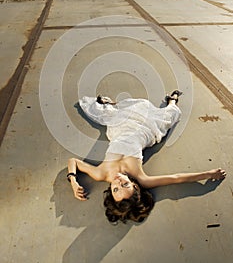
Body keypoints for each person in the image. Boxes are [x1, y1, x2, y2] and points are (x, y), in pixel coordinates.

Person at [67, 91, 226, 224]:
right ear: (135, 187)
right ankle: (172, 100)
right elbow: (176, 178)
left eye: (116, 188)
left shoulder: (101, 173)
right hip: (146, 129)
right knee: (170, 115)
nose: (118, 181)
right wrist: (208, 174)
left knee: (122, 112)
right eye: (125, 186)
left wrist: (74, 181)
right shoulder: (141, 179)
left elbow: (73, 162)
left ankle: (109, 104)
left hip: (119, 126)